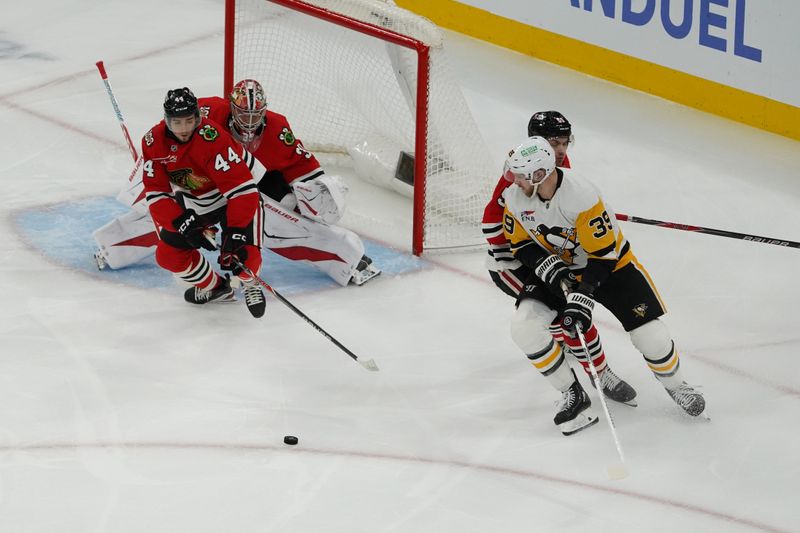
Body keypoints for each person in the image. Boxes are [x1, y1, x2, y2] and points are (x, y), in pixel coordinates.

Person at [500, 136, 706, 435]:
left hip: (608, 265)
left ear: (539, 174)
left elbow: (603, 255)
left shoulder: (581, 196)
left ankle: (677, 386)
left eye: (520, 175)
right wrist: (546, 265)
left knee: (651, 336)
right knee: (524, 327)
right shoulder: (515, 197)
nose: (513, 181)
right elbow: (519, 243)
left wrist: (583, 294)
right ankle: (572, 393)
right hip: (560, 266)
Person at [93, 79, 380, 287]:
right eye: (243, 114)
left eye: (256, 115)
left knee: (277, 225)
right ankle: (112, 247)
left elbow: (301, 166)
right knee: (171, 219)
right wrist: (152, 170)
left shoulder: (278, 129)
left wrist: (316, 192)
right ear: (230, 108)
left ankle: (346, 260)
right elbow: (172, 127)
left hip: (247, 185)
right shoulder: (207, 113)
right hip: (201, 183)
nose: (249, 121)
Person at [482, 111, 636, 407]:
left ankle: (580, 355)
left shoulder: (556, 165)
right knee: (565, 311)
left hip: (547, 254)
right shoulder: (518, 171)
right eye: (554, 142)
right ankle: (595, 376)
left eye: (565, 142)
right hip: (514, 261)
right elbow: (492, 220)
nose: (561, 149)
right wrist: (516, 256)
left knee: (569, 312)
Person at [141, 87, 266, 318]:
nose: (184, 129)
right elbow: (156, 194)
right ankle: (218, 288)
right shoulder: (152, 142)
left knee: (243, 255)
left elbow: (243, 191)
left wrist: (235, 232)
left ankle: (250, 282)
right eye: (177, 122)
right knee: (168, 256)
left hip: (234, 195)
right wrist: (181, 222)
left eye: (189, 121)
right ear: (167, 121)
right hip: (195, 199)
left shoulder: (212, 137)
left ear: (198, 117)